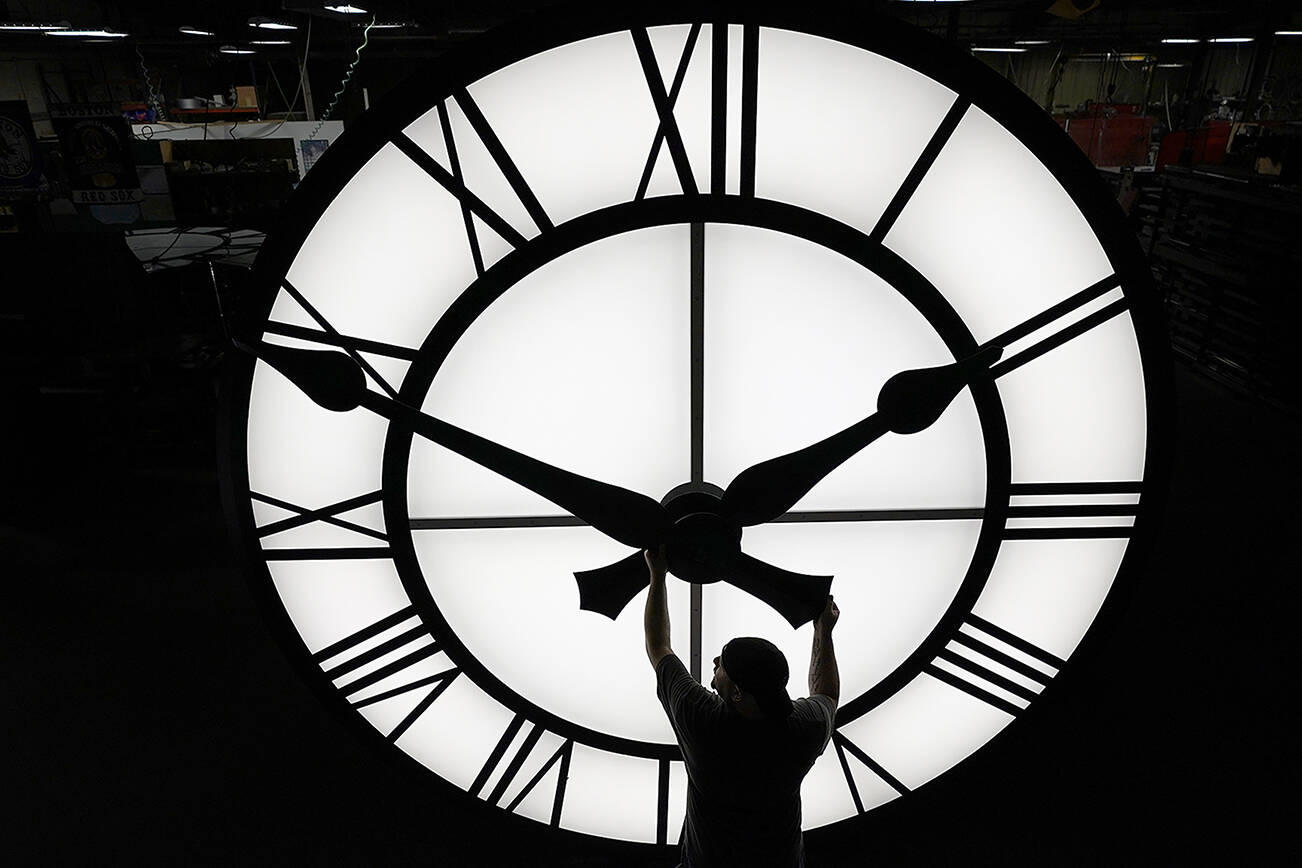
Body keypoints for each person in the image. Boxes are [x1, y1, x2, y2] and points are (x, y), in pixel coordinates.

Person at [644, 545, 840, 868]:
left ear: (737, 692)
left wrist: (657, 575)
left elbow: (658, 646)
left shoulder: (703, 723)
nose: (715, 662)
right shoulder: (801, 731)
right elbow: (827, 694)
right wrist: (823, 632)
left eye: (722, 665)